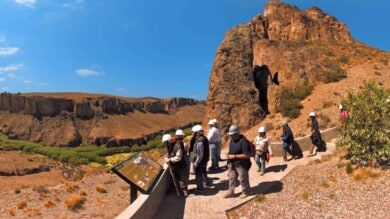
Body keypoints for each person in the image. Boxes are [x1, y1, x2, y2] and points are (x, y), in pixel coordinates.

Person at [224, 125, 251, 199]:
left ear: (237, 133)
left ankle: (245, 192)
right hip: (232, 163)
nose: (231, 136)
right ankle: (231, 191)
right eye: (231, 135)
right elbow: (231, 150)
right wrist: (228, 157)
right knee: (231, 178)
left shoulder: (244, 142)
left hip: (242, 164)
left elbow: (246, 155)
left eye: (233, 135)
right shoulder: (232, 140)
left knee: (243, 178)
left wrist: (234, 156)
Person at [164, 130, 189, 197]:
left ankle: (184, 191)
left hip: (180, 165)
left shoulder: (178, 145)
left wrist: (169, 160)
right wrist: (166, 158)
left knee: (182, 179)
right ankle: (179, 193)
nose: (164, 144)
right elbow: (166, 155)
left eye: (165, 142)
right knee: (175, 180)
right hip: (173, 166)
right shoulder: (169, 147)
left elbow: (178, 157)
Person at [192, 125, 210, 192]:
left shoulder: (200, 141)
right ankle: (206, 183)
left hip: (200, 161)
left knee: (198, 175)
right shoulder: (203, 138)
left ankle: (200, 188)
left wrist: (196, 163)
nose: (192, 133)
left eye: (193, 132)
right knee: (203, 172)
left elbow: (200, 154)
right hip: (204, 160)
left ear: (197, 132)